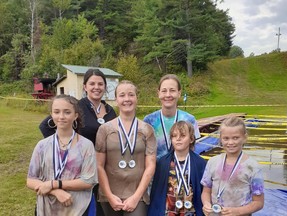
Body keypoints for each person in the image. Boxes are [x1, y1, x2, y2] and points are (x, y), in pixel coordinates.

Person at [39, 68, 117, 215]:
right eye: (92, 83)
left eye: (100, 84)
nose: (96, 87)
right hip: (80, 167)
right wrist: (64, 148)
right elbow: (45, 126)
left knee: (102, 206)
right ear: (85, 87)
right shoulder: (76, 106)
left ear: (105, 87)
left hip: (104, 167)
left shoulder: (110, 111)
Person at [27, 94, 97, 215]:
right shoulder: (42, 145)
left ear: (76, 115)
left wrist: (55, 184)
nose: (61, 116)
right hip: (47, 208)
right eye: (57, 112)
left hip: (77, 209)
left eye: (67, 112)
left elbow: (89, 181)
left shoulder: (86, 145)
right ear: (51, 114)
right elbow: (31, 180)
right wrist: (56, 191)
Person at [96, 80, 157, 216]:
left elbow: (150, 165)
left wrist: (136, 197)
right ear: (116, 100)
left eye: (131, 95)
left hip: (136, 194)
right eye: (122, 95)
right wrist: (110, 196)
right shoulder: (104, 130)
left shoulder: (147, 130)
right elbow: (99, 165)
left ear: (136, 98)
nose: (127, 99)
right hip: (109, 195)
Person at [201, 116, 264, 216]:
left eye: (235, 138)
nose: (230, 142)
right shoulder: (212, 162)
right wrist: (206, 204)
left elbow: (259, 202)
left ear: (244, 137)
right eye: (226, 138)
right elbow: (206, 192)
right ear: (220, 139)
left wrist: (237, 211)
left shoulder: (253, 167)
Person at [148, 121, 206, 216]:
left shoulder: (200, 163)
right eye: (174, 136)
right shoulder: (162, 163)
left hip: (190, 211)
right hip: (168, 211)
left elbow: (203, 190)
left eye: (183, 135)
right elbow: (157, 192)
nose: (178, 139)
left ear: (191, 139)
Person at [143, 74, 201, 161]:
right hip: (156, 171)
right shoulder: (149, 121)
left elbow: (194, 150)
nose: (168, 95)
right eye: (164, 91)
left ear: (179, 93)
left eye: (172, 90)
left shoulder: (189, 120)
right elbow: (145, 152)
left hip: (182, 171)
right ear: (158, 93)